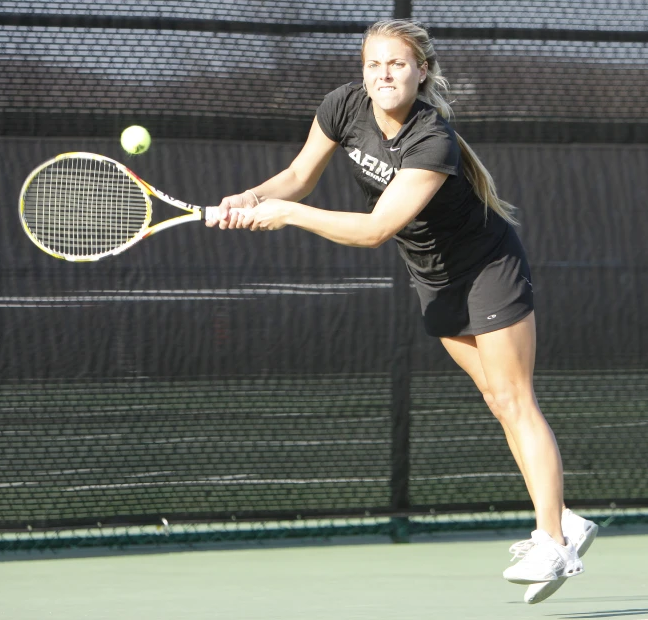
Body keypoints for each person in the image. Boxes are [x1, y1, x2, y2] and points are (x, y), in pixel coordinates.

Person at [206, 18, 597, 603]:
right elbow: (296, 176)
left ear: (422, 72)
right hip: (433, 278)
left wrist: (287, 215)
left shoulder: (430, 138)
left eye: (396, 64)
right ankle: (565, 517)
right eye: (373, 64)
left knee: (515, 398)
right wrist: (251, 200)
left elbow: (374, 229)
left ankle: (553, 540)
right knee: (496, 399)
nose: (383, 74)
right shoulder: (343, 105)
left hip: (487, 268)